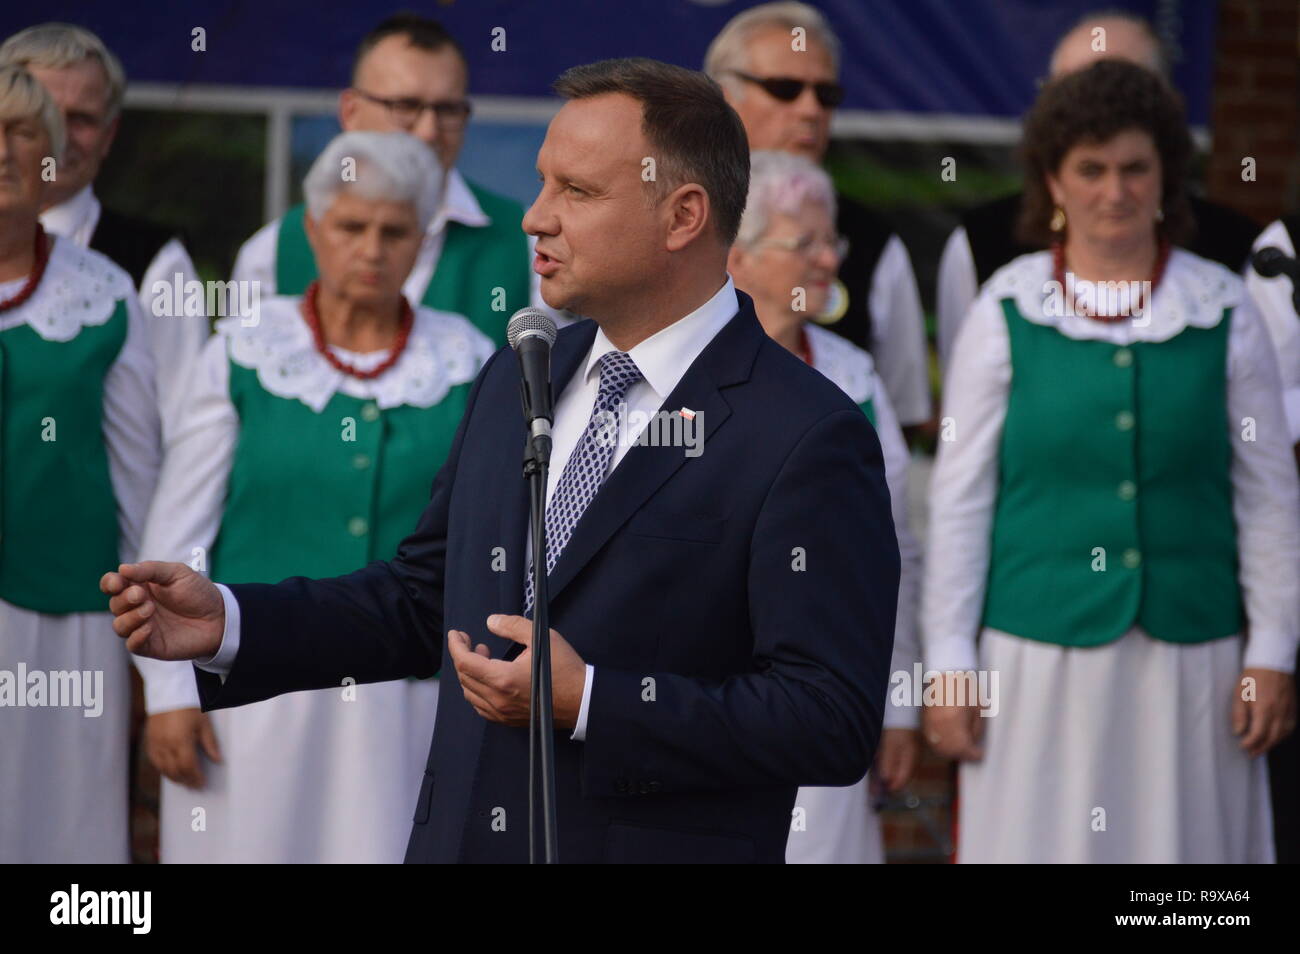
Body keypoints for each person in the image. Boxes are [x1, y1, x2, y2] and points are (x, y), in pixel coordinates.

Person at [102, 57, 900, 864]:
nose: (534, 218)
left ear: (683, 215)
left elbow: (826, 717)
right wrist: (233, 622)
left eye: (576, 192)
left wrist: (593, 702)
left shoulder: (804, 433)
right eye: (542, 183)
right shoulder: (524, 370)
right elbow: (425, 598)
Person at [922, 60, 1299, 863]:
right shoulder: (1007, 308)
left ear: (1166, 174)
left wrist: (1271, 650)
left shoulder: (1224, 308)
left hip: (1193, 658)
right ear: (1053, 181)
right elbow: (960, 500)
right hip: (1035, 656)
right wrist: (949, 663)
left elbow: (1267, 495)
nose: (1115, 191)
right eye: (1090, 170)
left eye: (1135, 168)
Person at [131, 132, 494, 862]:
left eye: (394, 232)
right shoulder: (245, 348)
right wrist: (170, 695)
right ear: (311, 231)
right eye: (351, 227)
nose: (372, 248)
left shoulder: (467, 359)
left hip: (407, 698)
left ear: (422, 241)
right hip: (251, 684)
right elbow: (179, 531)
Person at [727, 150, 920, 863]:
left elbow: (895, 554)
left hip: (825, 694)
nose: (828, 259)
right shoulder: (679, 370)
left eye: (830, 241)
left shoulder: (854, 376)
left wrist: (897, 705)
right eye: (803, 242)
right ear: (737, 257)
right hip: (696, 701)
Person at [0, 65, 161, 862]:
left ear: (55, 158)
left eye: (23, 134)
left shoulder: (105, 293)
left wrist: (155, 659)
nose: (3, 152)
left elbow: (140, 481)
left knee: (65, 834)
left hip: (65, 619)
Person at [935, 10, 1262, 372]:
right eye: (1077, 94)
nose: (1102, 111)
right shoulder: (983, 241)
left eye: (1126, 92)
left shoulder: (1235, 248)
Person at [231, 13, 542, 347]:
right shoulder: (270, 253)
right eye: (405, 106)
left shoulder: (530, 247)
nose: (428, 131)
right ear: (350, 111)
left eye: (448, 110)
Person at [705, 2, 931, 436]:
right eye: (786, 88)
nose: (811, 110)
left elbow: (902, 410)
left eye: (826, 95)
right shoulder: (664, 217)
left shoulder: (870, 240)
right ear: (722, 97)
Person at [0, 23, 207, 439]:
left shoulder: (158, 263)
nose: (59, 139)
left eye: (81, 120)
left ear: (109, 136)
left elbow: (186, 429)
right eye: (37, 118)